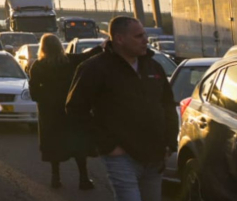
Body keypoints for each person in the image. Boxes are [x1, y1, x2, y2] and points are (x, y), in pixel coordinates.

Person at [66, 17, 177, 201]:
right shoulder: (95, 68)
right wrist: (106, 145)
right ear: (119, 39)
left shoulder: (153, 66)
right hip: (122, 157)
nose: (145, 40)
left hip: (155, 155)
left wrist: (170, 143)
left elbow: (167, 104)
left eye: (145, 35)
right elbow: (75, 109)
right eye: (138, 36)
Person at [29, 33, 95, 190]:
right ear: (60, 46)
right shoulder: (70, 61)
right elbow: (89, 55)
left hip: (50, 113)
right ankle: (84, 179)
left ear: (42, 47)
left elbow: (33, 92)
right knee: (77, 143)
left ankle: (55, 178)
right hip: (70, 109)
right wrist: (104, 45)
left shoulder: (38, 66)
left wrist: (45, 100)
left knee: (54, 145)